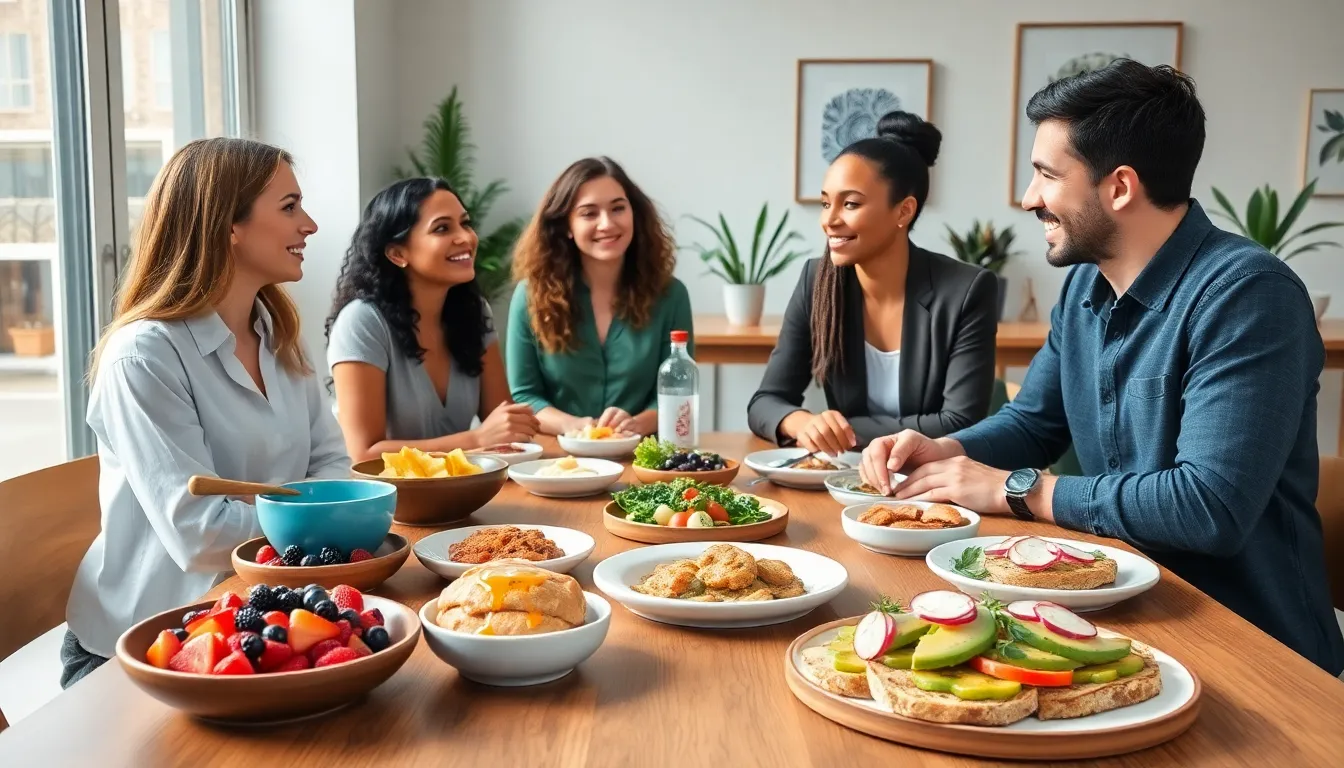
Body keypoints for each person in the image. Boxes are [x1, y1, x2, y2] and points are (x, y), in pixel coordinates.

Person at [858, 60, 1344, 675]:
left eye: (1045, 174)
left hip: (1255, 648)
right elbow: (1034, 424)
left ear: (1118, 187)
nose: (1030, 198)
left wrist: (1019, 489)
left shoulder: (1250, 295)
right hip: (1125, 615)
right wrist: (944, 448)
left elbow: (1207, 507)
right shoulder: (1087, 286)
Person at [63, 138, 352, 686]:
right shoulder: (143, 356)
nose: (309, 225)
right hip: (143, 651)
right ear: (228, 225)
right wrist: (315, 511)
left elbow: (333, 462)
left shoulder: (281, 334)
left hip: (256, 622)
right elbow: (198, 534)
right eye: (289, 207)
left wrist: (271, 505)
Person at [748, 111, 997, 454]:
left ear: (903, 212)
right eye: (825, 203)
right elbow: (766, 402)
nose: (829, 220)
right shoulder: (817, 281)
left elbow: (959, 422)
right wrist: (804, 422)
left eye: (850, 204)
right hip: (844, 480)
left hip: (932, 479)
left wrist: (842, 430)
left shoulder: (966, 291)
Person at [326, 178, 539, 461]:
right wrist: (476, 439)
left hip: (463, 489)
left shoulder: (474, 310)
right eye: (442, 228)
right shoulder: (361, 322)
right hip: (391, 499)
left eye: (465, 223)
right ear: (397, 253)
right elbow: (365, 454)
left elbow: (505, 424)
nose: (466, 237)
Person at [507, 156, 693, 436]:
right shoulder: (530, 296)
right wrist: (573, 425)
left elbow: (678, 390)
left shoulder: (671, 295)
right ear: (566, 225)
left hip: (643, 459)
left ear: (634, 215)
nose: (606, 224)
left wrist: (636, 424)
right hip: (559, 462)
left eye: (618, 208)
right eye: (589, 213)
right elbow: (524, 395)